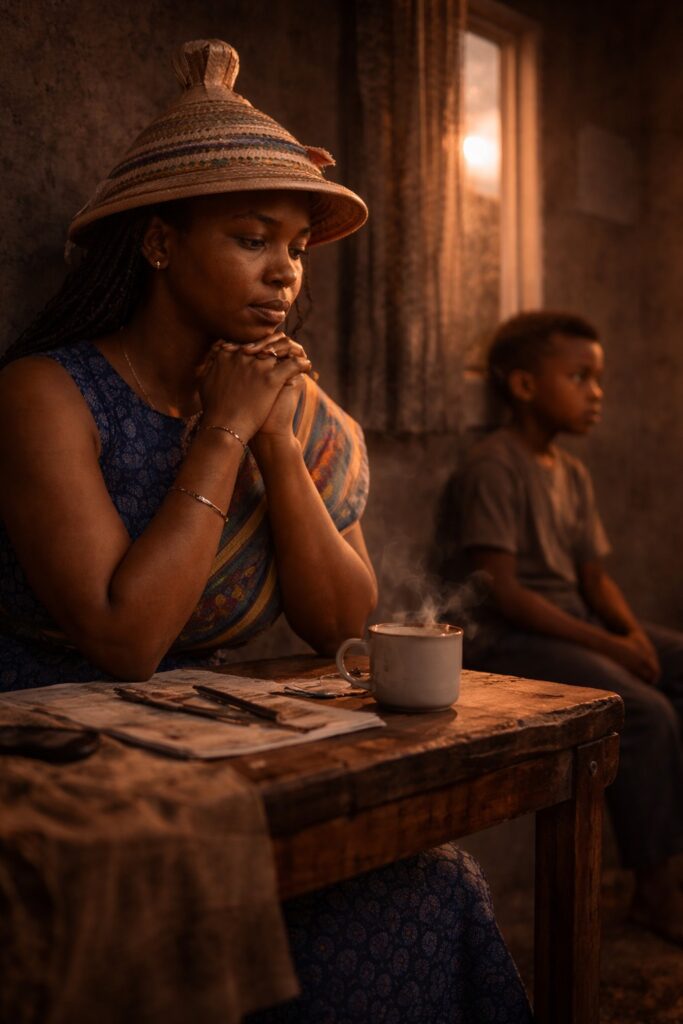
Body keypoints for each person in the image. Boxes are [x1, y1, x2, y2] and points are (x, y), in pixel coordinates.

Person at [0, 39, 532, 1022]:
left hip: (203, 750)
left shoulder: (298, 413)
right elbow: (125, 641)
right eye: (252, 236)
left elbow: (340, 623)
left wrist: (278, 448)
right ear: (159, 244)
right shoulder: (47, 396)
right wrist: (225, 433)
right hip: (49, 756)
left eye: (294, 246)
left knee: (432, 887)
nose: (284, 270)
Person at [457, 310, 683, 946]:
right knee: (642, 710)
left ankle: (668, 857)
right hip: (510, 639)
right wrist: (612, 648)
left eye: (598, 378)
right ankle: (655, 891)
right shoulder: (494, 466)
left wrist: (634, 636)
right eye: (580, 377)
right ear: (525, 385)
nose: (597, 392)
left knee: (674, 662)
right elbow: (503, 592)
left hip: (574, 624)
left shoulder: (572, 473)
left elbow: (596, 580)